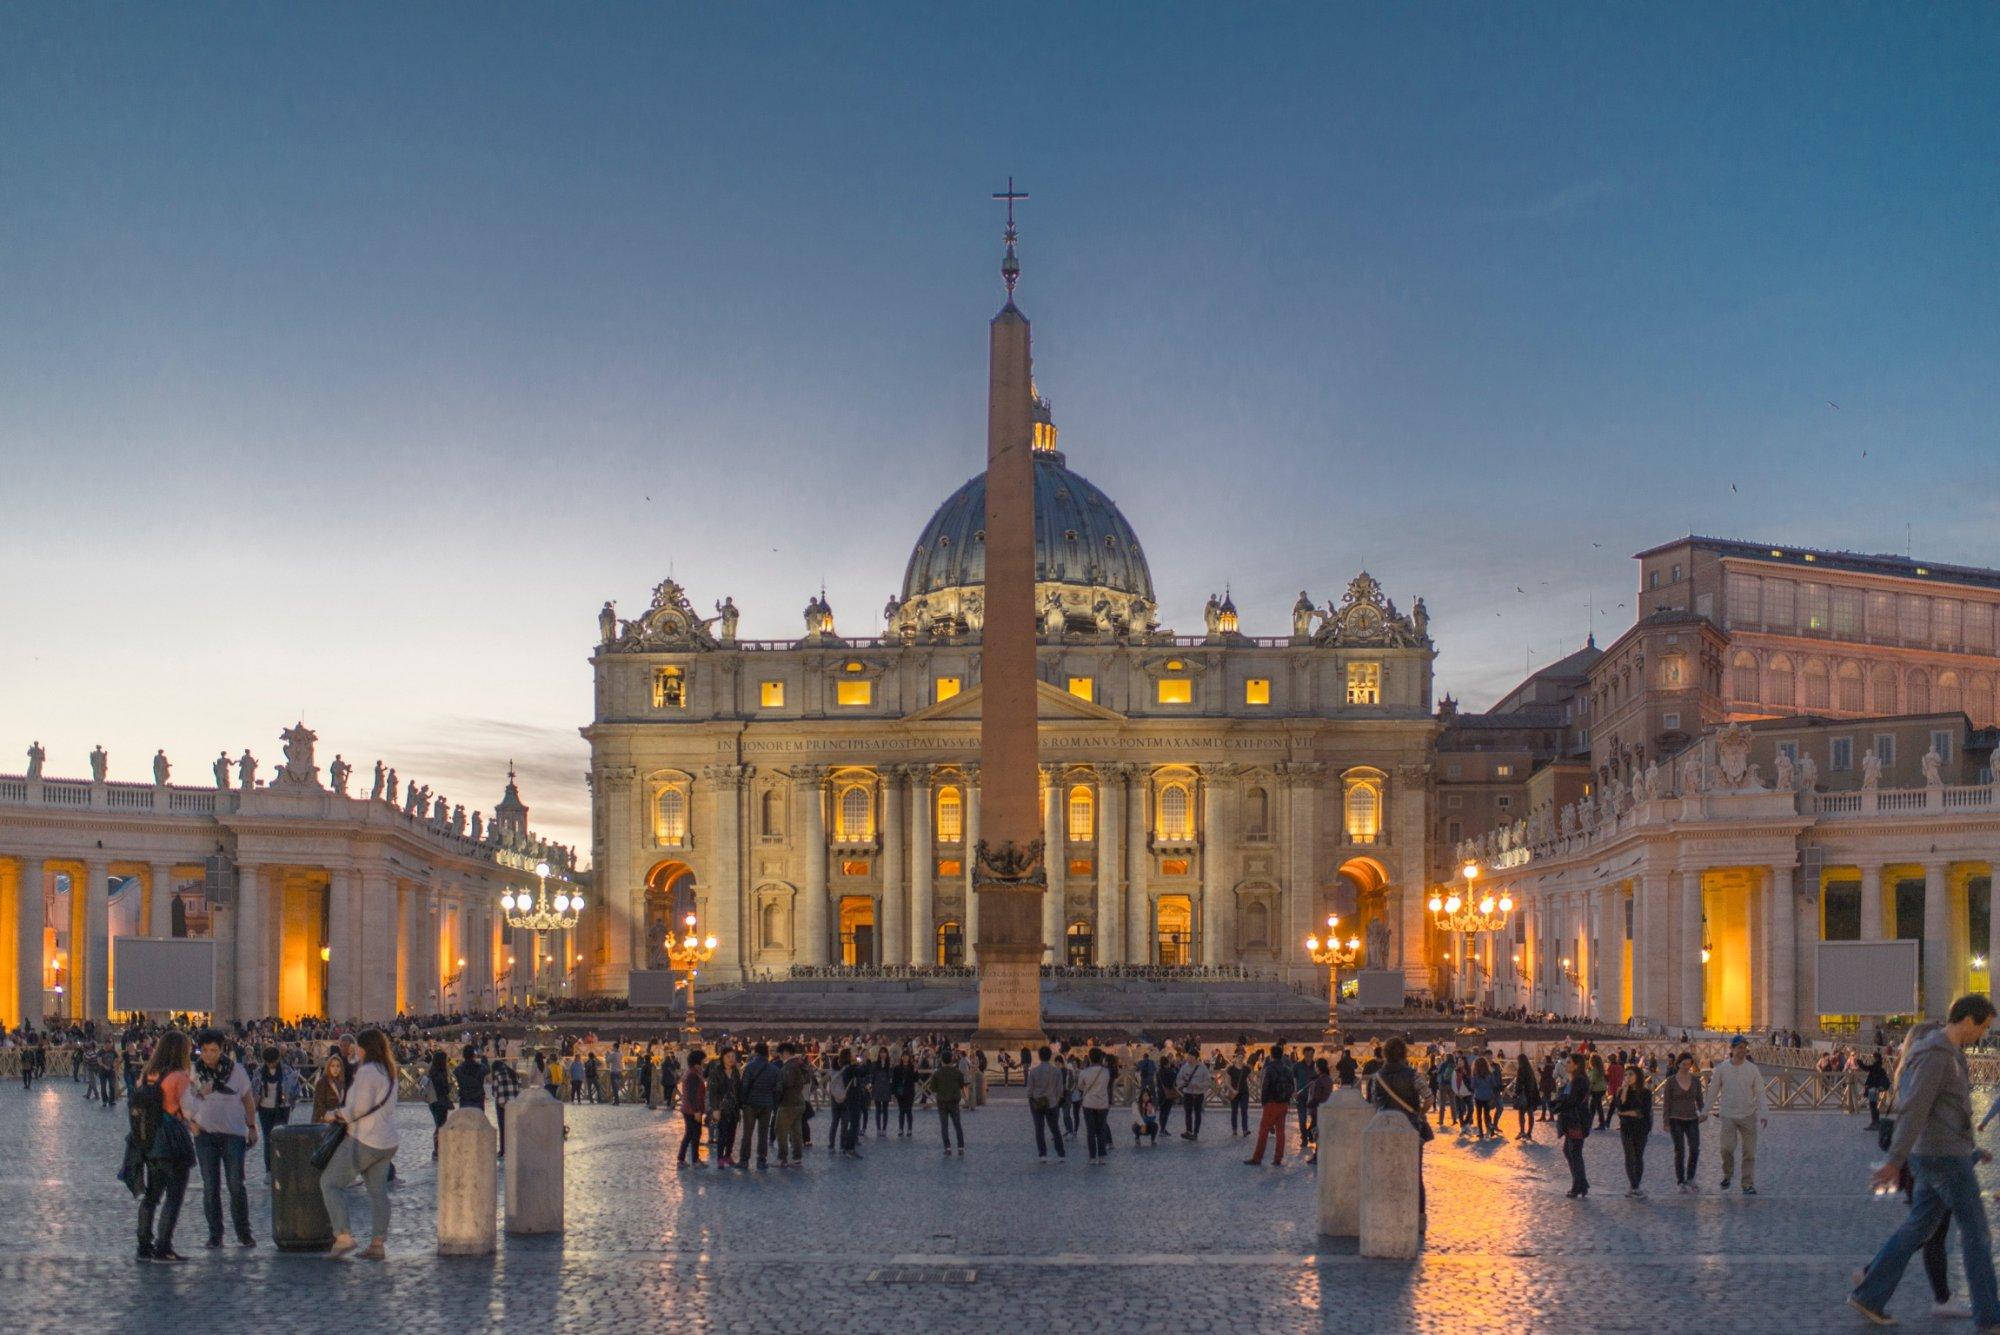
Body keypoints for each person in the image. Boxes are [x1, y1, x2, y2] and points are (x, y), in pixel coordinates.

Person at [1852, 995, 2000, 1328]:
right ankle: (1990, 1314)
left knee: (1917, 1228)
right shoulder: (1937, 1055)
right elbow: (1916, 1108)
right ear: (1968, 1021)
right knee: (1977, 1233)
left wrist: (1973, 1150)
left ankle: (1869, 1294)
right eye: (1984, 1027)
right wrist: (1894, 1160)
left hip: (1939, 1153)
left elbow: (1946, 1112)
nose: (1984, 1035)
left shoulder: (1947, 1054)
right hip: (1944, 1158)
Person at [319, 1028, 399, 1261]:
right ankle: (377, 1244)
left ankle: (343, 1236)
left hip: (365, 1139)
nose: (356, 1051)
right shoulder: (389, 1072)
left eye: (358, 1046)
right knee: (378, 1192)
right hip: (387, 1141)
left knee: (330, 1183)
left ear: (365, 1048)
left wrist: (334, 1115)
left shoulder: (367, 1072)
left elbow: (357, 1109)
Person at [127, 1030, 194, 1263]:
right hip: (173, 1142)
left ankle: (143, 1245)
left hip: (148, 1141)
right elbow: (188, 1111)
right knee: (174, 1197)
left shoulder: (146, 1075)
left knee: (152, 1196)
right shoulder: (179, 1077)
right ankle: (163, 1246)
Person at [188, 1031, 257, 1249]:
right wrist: (192, 1124)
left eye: (214, 1050)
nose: (209, 1055)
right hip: (205, 1135)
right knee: (211, 1186)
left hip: (233, 1134)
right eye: (205, 1051)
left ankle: (244, 1233)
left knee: (236, 1185)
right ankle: (215, 1234)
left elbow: (247, 1099)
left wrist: (252, 1126)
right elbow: (186, 1101)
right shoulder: (194, 1072)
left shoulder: (237, 1071)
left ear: (222, 1049)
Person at [1369, 1037, 1431, 1217]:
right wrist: (1419, 1113)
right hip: (1411, 1128)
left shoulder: (1378, 1078)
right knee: (1415, 1174)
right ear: (1404, 1053)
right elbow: (1429, 1098)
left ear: (1385, 1054)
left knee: (1387, 1172)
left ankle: (1391, 1213)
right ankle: (1419, 1215)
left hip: (1386, 1129)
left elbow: (1375, 1105)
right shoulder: (1413, 1075)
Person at [1708, 1036, 1766, 1194]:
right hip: (1728, 1114)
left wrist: (1764, 1113)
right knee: (1726, 1149)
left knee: (1749, 1152)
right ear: (1731, 1049)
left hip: (1748, 1114)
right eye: (1739, 1047)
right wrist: (1705, 1110)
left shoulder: (1752, 1069)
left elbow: (1760, 1091)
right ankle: (1728, 1173)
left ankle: (1747, 1183)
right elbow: (1713, 1090)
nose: (1742, 1050)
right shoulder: (1722, 1069)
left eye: (1744, 1047)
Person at [249, 1044, 304, 1173]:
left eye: (273, 1062)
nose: (271, 1065)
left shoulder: (286, 1071)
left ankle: (281, 1168)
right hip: (264, 1109)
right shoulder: (258, 1072)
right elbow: (253, 1090)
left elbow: (296, 1088)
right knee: (268, 1139)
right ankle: (269, 1169)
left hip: (282, 1108)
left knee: (281, 1138)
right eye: (268, 1063)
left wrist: (291, 1098)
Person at [1245, 1041, 1296, 1167]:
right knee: (1281, 1131)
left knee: (1264, 1131)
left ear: (1271, 1055)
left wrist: (1264, 1102)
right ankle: (1278, 1158)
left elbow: (1265, 1087)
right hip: (1284, 1103)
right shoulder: (1288, 1070)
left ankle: (1257, 1158)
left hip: (1271, 1103)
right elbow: (1292, 1087)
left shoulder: (1269, 1069)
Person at [1661, 1055, 1704, 1192]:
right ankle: (1680, 1181)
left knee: (1695, 1148)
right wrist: (1665, 1122)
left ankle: (1690, 1178)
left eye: (1689, 1064)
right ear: (1678, 1064)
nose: (1686, 1067)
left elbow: (1700, 1100)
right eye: (1684, 1064)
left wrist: (1703, 1113)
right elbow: (1666, 1103)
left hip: (1692, 1118)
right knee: (1679, 1151)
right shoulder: (1671, 1081)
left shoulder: (1696, 1081)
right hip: (1675, 1119)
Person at [1553, 1054, 1592, 1199]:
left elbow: (1572, 1101)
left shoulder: (1579, 1081)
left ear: (1576, 1065)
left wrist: (1556, 1105)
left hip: (1576, 1121)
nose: (1565, 1064)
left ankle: (1578, 1186)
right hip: (1571, 1121)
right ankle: (1581, 1183)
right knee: (1569, 1152)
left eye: (1569, 1062)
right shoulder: (1574, 1080)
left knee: (1574, 1153)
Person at [738, 1041, 782, 1169]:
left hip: (750, 1104)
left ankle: (744, 1160)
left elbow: (744, 1086)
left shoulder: (749, 1067)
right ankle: (761, 1160)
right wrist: (772, 1101)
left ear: (755, 1052)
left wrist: (743, 1101)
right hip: (766, 1104)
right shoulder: (774, 1069)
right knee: (763, 1133)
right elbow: (778, 1089)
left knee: (747, 1133)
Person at [1615, 1066, 1652, 1197]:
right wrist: (1624, 1090)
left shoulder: (1646, 1092)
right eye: (1626, 1075)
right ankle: (1634, 1186)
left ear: (1637, 1076)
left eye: (1631, 1074)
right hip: (1626, 1127)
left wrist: (1628, 1112)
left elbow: (1642, 1112)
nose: (1628, 1077)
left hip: (1641, 1128)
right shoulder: (1621, 1091)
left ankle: (1637, 1184)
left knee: (1638, 1156)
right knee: (1629, 1156)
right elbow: (1620, 1108)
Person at [1026, 1046, 1067, 1162]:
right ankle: (1061, 1154)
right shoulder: (1057, 1071)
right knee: (1055, 1129)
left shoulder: (1034, 1071)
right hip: (1052, 1102)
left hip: (1037, 1102)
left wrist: (1031, 1099)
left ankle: (1042, 1154)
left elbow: (1029, 1090)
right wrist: (1057, 1100)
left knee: (1039, 1129)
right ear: (1050, 1056)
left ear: (1039, 1056)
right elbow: (1060, 1090)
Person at [929, 1046, 967, 1154]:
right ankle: (961, 1147)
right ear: (952, 1059)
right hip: (954, 1101)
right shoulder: (957, 1072)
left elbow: (933, 1088)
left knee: (944, 1126)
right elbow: (961, 1085)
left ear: (941, 1060)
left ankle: (948, 1148)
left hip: (942, 1102)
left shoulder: (937, 1073)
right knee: (957, 1124)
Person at [1078, 1048, 1113, 1164]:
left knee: (1091, 1131)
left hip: (1088, 1103)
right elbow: (1107, 1085)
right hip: (1102, 1104)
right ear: (1101, 1058)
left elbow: (1080, 1087)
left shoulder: (1084, 1072)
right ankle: (1102, 1156)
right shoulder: (1106, 1072)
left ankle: (1092, 1157)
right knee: (1101, 1130)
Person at [708, 1048, 742, 1168]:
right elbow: (712, 1092)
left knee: (732, 1134)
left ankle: (728, 1155)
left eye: (733, 1056)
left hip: (734, 1107)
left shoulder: (736, 1072)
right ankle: (720, 1158)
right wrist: (715, 1109)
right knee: (722, 1134)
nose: (731, 1059)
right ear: (722, 1057)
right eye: (728, 1056)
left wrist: (741, 1106)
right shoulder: (716, 1071)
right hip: (722, 1108)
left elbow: (738, 1089)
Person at [677, 1050, 707, 1167]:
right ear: (697, 1062)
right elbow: (691, 1095)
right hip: (691, 1110)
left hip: (691, 1109)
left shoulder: (692, 1072)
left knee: (696, 1134)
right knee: (690, 1134)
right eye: (703, 1061)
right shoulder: (693, 1075)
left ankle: (695, 1159)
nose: (704, 1063)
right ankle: (681, 1159)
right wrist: (696, 1111)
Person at [489, 1055, 521, 1159]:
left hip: (501, 1104)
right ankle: (514, 1148)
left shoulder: (497, 1074)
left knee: (503, 1128)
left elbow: (494, 1092)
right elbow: (519, 1088)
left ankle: (503, 1150)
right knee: (512, 1127)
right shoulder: (514, 1074)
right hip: (514, 1105)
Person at [425, 1050, 454, 1159]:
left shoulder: (432, 1071)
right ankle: (438, 1150)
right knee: (440, 1125)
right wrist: (449, 1087)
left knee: (439, 1124)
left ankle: (438, 1149)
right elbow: (444, 1088)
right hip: (440, 1102)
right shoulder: (440, 1073)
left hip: (433, 1102)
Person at [1177, 1050, 1211, 1140]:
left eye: (1190, 1056)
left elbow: (1208, 1081)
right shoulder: (1184, 1067)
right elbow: (1179, 1079)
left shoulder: (1203, 1067)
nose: (1188, 1058)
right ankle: (1188, 1131)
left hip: (1198, 1093)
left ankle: (1195, 1132)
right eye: (1188, 1056)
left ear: (1195, 1057)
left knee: (1197, 1113)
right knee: (1187, 1112)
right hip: (1187, 1092)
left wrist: (1198, 1085)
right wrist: (1182, 1083)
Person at [312, 1051, 349, 1126]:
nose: (335, 1069)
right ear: (328, 1067)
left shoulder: (341, 1082)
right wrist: (328, 1115)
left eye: (338, 1066)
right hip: (322, 1122)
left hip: (335, 1122)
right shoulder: (322, 1082)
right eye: (332, 1066)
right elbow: (319, 1104)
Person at [454, 1045, 488, 1117]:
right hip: (478, 1099)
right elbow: (487, 1069)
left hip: (464, 1099)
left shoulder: (458, 1069)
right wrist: (484, 1057)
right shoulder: (481, 1067)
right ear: (474, 1055)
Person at [1512, 1053, 1539, 1141]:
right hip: (1530, 1094)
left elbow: (1519, 1082)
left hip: (1524, 1095)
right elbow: (1534, 1083)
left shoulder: (1521, 1069)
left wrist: (1516, 1093)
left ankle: (1522, 1131)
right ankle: (1529, 1133)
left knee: (1521, 1113)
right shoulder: (1530, 1069)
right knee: (1530, 1114)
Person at [891, 1051, 918, 1137]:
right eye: (904, 1056)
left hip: (909, 1092)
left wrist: (916, 1071)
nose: (906, 1057)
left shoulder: (912, 1067)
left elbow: (916, 1079)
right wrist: (893, 1092)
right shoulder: (897, 1068)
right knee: (901, 1111)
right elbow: (894, 1081)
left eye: (907, 1056)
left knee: (909, 1111)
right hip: (900, 1092)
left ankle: (909, 1129)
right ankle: (901, 1128)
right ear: (902, 1057)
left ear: (909, 1058)